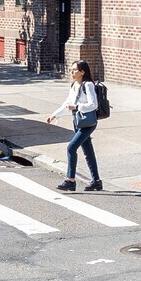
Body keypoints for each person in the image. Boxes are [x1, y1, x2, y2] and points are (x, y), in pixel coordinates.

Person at [46, 61, 103, 192]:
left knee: (71, 147)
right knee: (88, 152)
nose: (72, 72)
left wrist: (77, 107)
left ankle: (70, 180)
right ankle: (96, 181)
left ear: (82, 72)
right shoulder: (74, 85)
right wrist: (54, 115)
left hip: (88, 122)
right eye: (71, 70)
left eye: (75, 70)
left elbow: (93, 104)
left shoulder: (88, 85)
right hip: (78, 121)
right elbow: (67, 103)